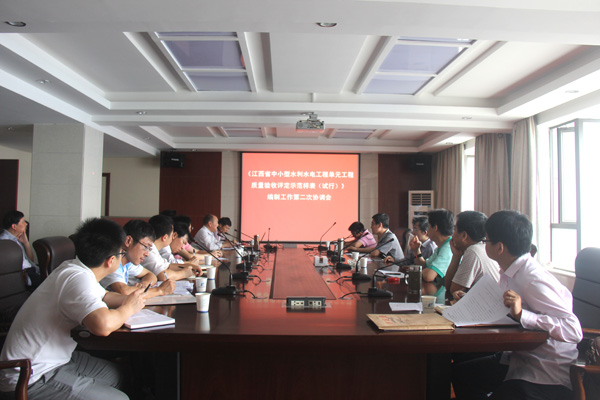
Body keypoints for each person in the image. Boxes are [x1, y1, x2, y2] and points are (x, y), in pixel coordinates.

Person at [0, 218, 146, 399]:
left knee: (118, 375)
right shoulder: (77, 279)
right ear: (110, 261)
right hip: (30, 376)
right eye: (121, 253)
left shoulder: (75, 268)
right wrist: (128, 309)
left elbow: (106, 296)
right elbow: (102, 326)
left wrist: (135, 299)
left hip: (58, 360)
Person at [451, 210, 583, 400]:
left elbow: (573, 330)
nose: (483, 244)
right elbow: (504, 307)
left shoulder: (533, 279)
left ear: (499, 248)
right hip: (518, 356)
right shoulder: (509, 272)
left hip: (545, 371)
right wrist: (471, 300)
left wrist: (523, 315)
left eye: (486, 240)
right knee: (461, 374)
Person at [100, 219, 175, 298]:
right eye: (146, 247)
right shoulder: (113, 261)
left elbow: (151, 275)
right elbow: (124, 291)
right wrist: (159, 290)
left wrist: (143, 285)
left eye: (149, 249)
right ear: (128, 241)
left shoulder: (128, 262)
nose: (147, 254)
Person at [445, 211, 500, 297]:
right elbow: (449, 286)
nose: (452, 235)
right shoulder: (482, 247)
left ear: (464, 235)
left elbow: (454, 290)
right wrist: (456, 256)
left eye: (455, 230)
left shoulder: (473, 251)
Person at [141, 215, 197, 281]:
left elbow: (168, 266)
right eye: (172, 234)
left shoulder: (154, 249)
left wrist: (190, 266)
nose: (173, 237)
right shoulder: (149, 251)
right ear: (165, 237)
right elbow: (163, 276)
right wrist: (184, 273)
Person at [409, 209, 453, 282]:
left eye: (429, 226)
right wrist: (416, 250)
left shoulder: (448, 248)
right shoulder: (441, 246)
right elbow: (424, 265)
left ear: (435, 228)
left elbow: (428, 276)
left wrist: (421, 271)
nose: (427, 230)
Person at [0, 210, 41, 288]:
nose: (26, 224)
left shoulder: (17, 238)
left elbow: (31, 260)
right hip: (24, 275)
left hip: (33, 270)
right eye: (23, 222)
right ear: (14, 226)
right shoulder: (4, 242)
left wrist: (26, 243)